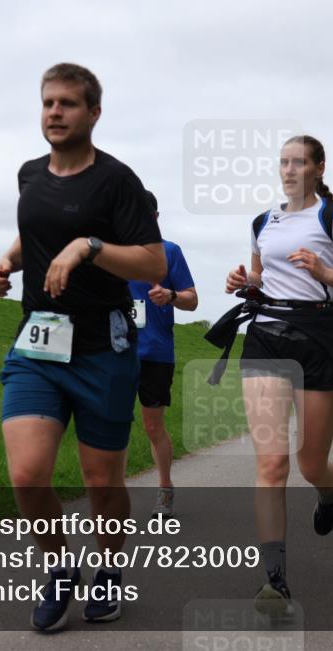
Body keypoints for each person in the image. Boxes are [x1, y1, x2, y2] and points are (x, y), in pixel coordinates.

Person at [0, 63, 166, 633]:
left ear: (93, 112)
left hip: (101, 350)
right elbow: (37, 227)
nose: (54, 112)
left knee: (100, 482)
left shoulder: (119, 181)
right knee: (27, 474)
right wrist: (9, 260)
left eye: (67, 103)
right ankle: (61, 568)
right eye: (47, 103)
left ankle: (110, 571)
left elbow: (151, 261)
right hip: (37, 346)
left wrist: (88, 246)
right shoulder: (28, 174)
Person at [207, 134, 333, 616]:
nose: (288, 170)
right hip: (265, 335)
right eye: (282, 162)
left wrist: (325, 271)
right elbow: (263, 278)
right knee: (272, 465)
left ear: (319, 168)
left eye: (298, 162)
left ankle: (329, 490)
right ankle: (274, 580)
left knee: (309, 464)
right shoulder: (264, 220)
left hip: (317, 337)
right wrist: (244, 281)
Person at [128, 191, 198, 519]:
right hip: (115, 351)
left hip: (155, 353)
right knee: (108, 424)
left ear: (155, 217)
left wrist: (170, 295)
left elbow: (192, 299)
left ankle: (165, 488)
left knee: (153, 427)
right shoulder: (114, 254)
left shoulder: (170, 252)